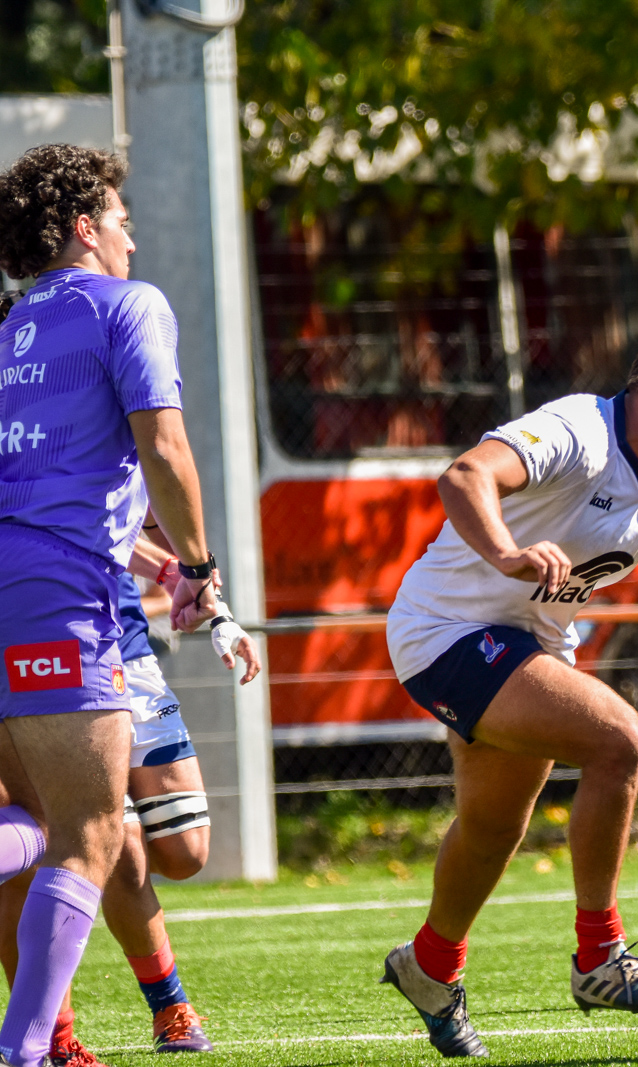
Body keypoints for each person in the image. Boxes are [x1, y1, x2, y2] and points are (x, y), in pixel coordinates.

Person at [381, 318, 638, 1058]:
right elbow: (464, 476)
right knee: (620, 739)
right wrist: (506, 553)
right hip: (443, 631)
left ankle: (430, 966)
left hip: (524, 644)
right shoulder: (579, 428)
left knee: (492, 826)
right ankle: (599, 956)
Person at [0, 143, 221, 1067]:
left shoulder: (7, 328)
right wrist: (202, 565)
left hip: (16, 578)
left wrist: (155, 561)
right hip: (63, 593)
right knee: (92, 834)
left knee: (41, 819)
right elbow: (164, 447)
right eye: (122, 217)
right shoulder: (131, 305)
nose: (133, 233)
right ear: (86, 226)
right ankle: (22, 1051)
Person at [0, 533, 259, 1065]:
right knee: (95, 841)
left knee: (184, 853)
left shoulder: (108, 463)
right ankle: (60, 1035)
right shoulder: (26, 468)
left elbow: (123, 504)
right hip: (46, 648)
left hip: (128, 653)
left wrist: (185, 576)